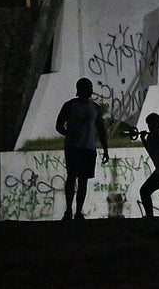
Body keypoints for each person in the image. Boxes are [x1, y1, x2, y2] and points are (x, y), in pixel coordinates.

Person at [55, 77, 109, 220]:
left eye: (90, 87)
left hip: (88, 148)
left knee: (83, 180)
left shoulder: (95, 108)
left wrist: (105, 149)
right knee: (72, 178)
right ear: (80, 90)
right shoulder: (70, 105)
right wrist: (68, 133)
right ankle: (69, 210)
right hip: (74, 147)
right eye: (87, 87)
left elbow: (101, 129)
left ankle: (77, 211)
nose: (90, 91)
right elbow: (59, 125)